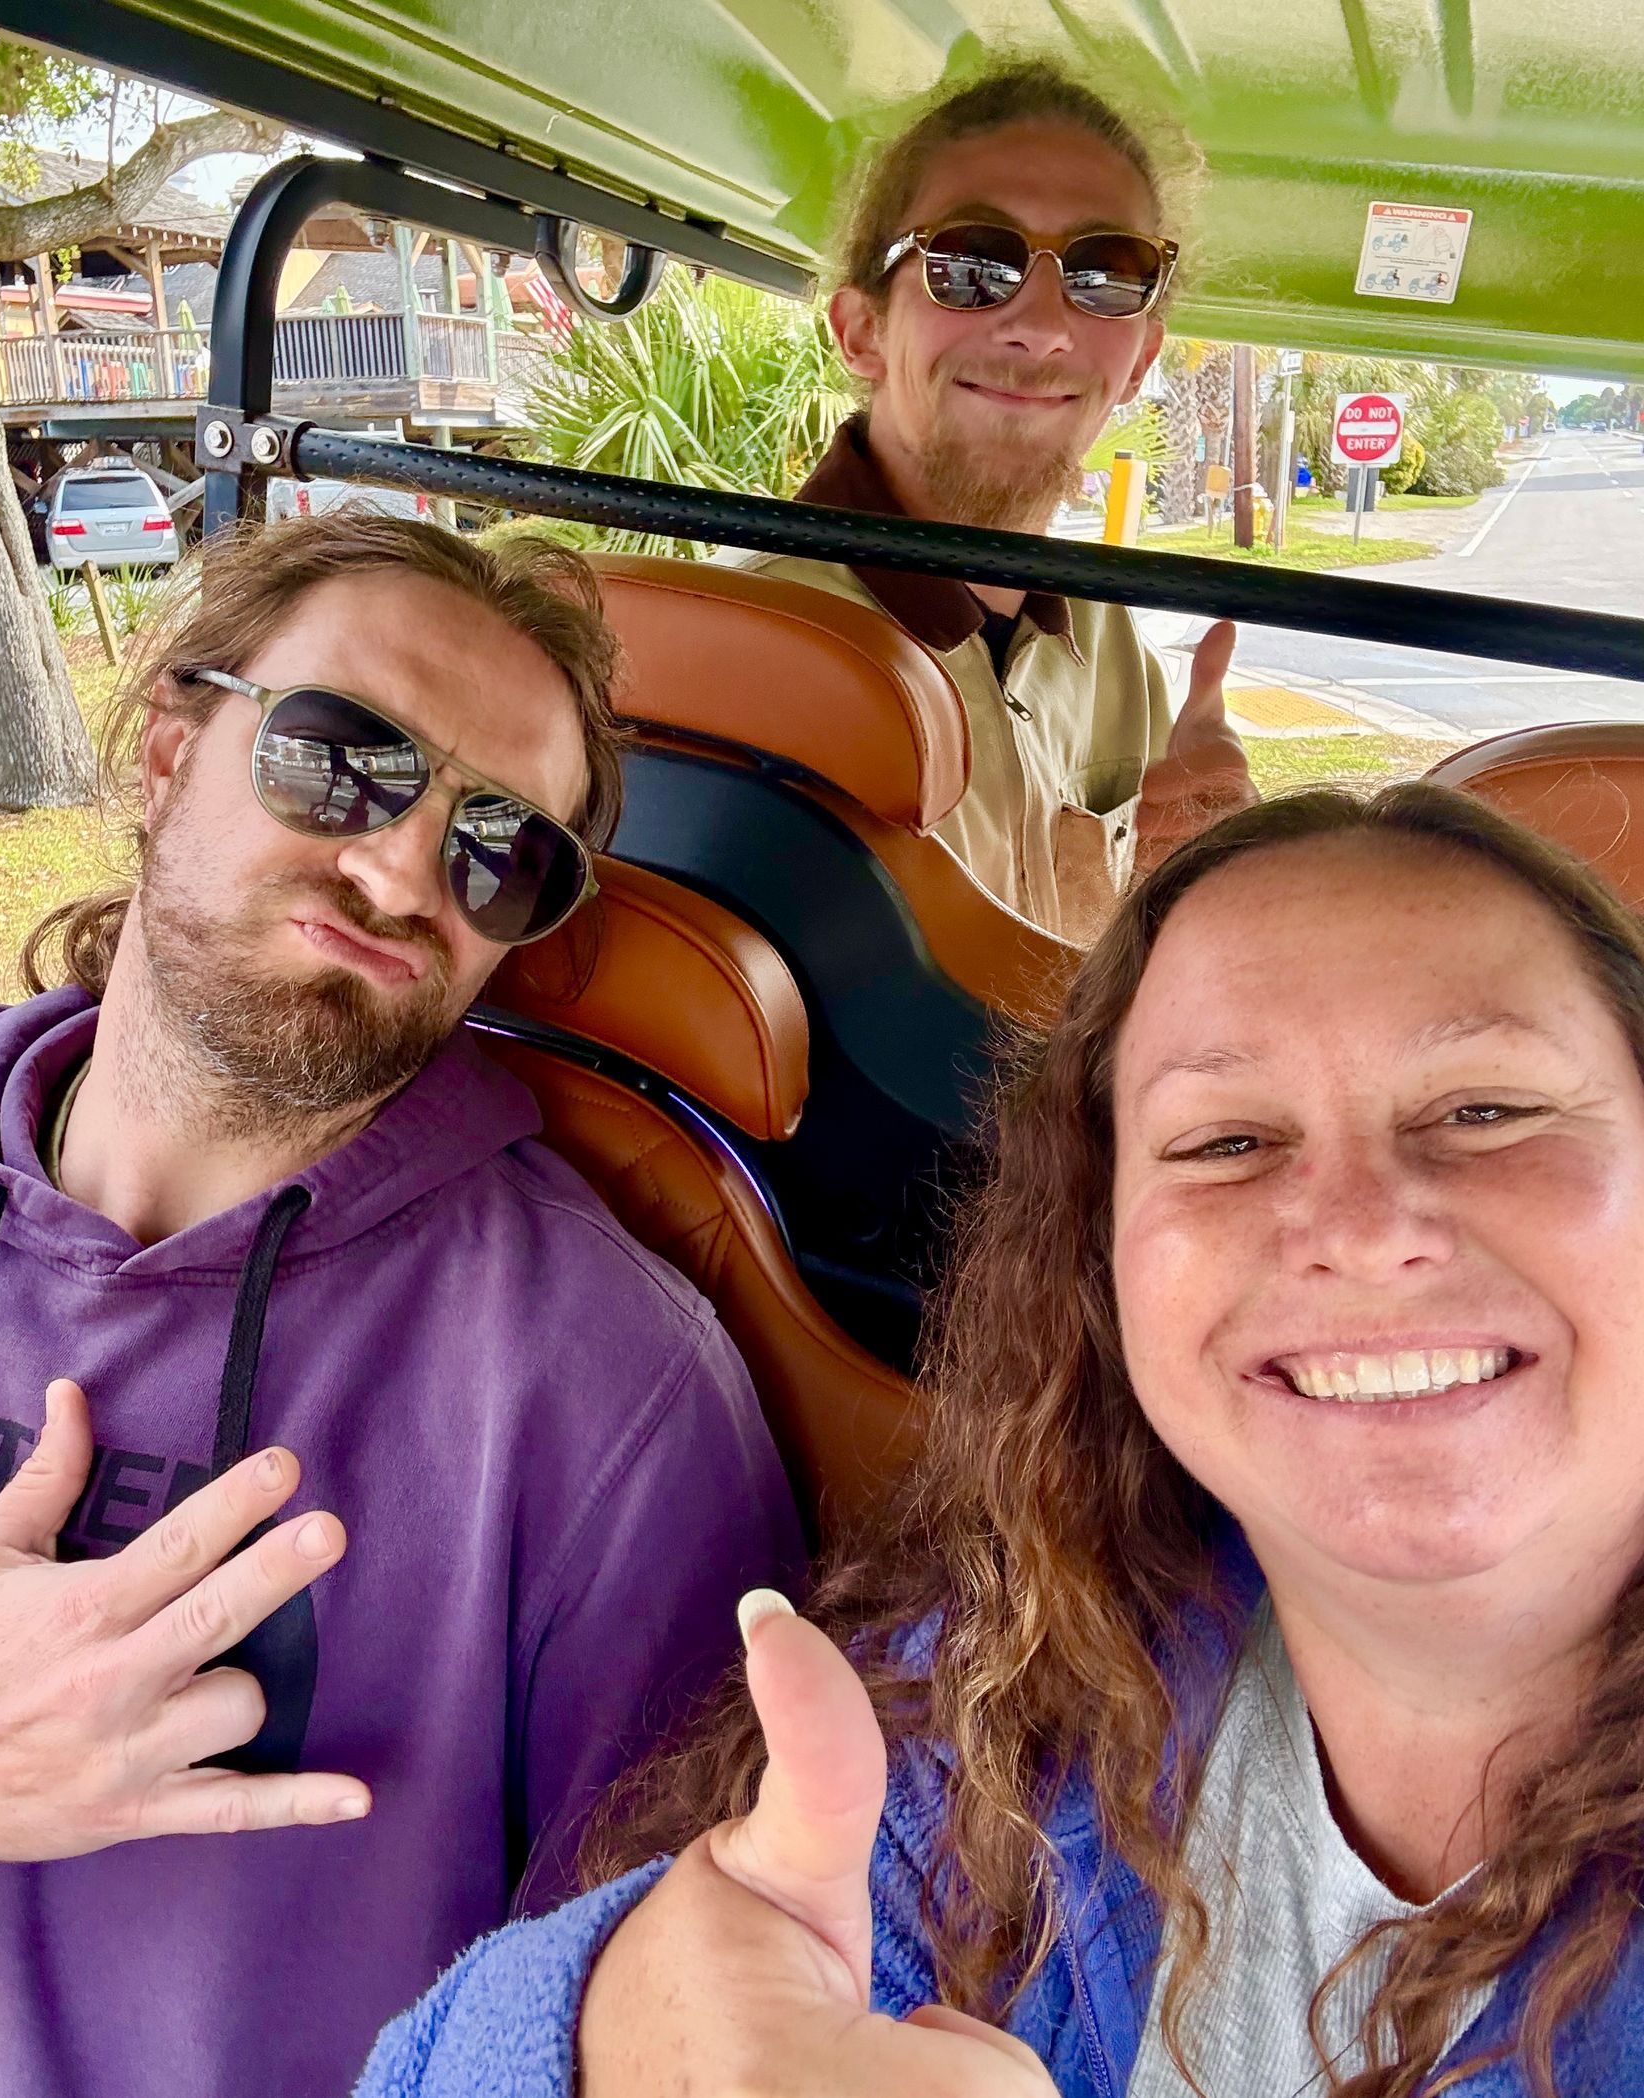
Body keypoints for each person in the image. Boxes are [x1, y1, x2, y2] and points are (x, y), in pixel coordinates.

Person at [0, 512, 803, 2097]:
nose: (396, 869)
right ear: (168, 748)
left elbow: (634, 2020)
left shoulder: (609, 1400)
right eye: (341, 759)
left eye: (498, 850)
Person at [361, 781, 1644, 2096]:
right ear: (1105, 1268)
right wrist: (610, 2032)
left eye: (1488, 1109)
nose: (1364, 1227)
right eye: (1229, 1140)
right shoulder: (1027, 1699)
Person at [742, 62, 1257, 944]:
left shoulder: (1117, 656)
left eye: (1107, 275)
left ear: (1139, 360)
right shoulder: (745, 649)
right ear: (862, 331)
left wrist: (1210, 871)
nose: (1045, 324)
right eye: (973, 263)